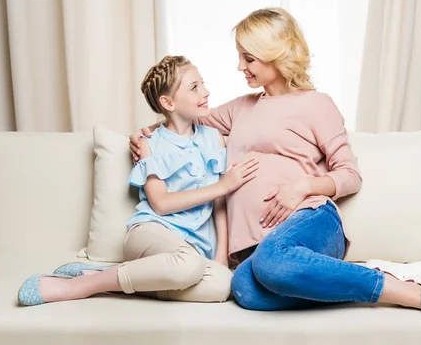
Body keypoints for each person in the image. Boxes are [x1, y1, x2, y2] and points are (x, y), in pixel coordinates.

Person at [129, 7, 421, 318]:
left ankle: (415, 295)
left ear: (275, 54)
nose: (240, 66)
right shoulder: (241, 108)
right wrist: (145, 136)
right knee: (245, 290)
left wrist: (302, 187)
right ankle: (379, 275)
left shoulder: (317, 104)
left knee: (273, 260)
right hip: (257, 250)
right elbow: (182, 116)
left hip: (312, 220)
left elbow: (350, 176)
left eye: (249, 58)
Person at [17, 55, 259, 306]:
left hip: (196, 251)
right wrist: (223, 185)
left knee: (220, 286)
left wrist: (221, 253)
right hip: (151, 233)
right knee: (188, 265)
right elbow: (161, 204)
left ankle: (104, 278)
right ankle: (80, 286)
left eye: (203, 83)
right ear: (168, 102)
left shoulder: (214, 138)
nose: (206, 92)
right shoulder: (148, 143)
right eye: (194, 87)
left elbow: (219, 201)